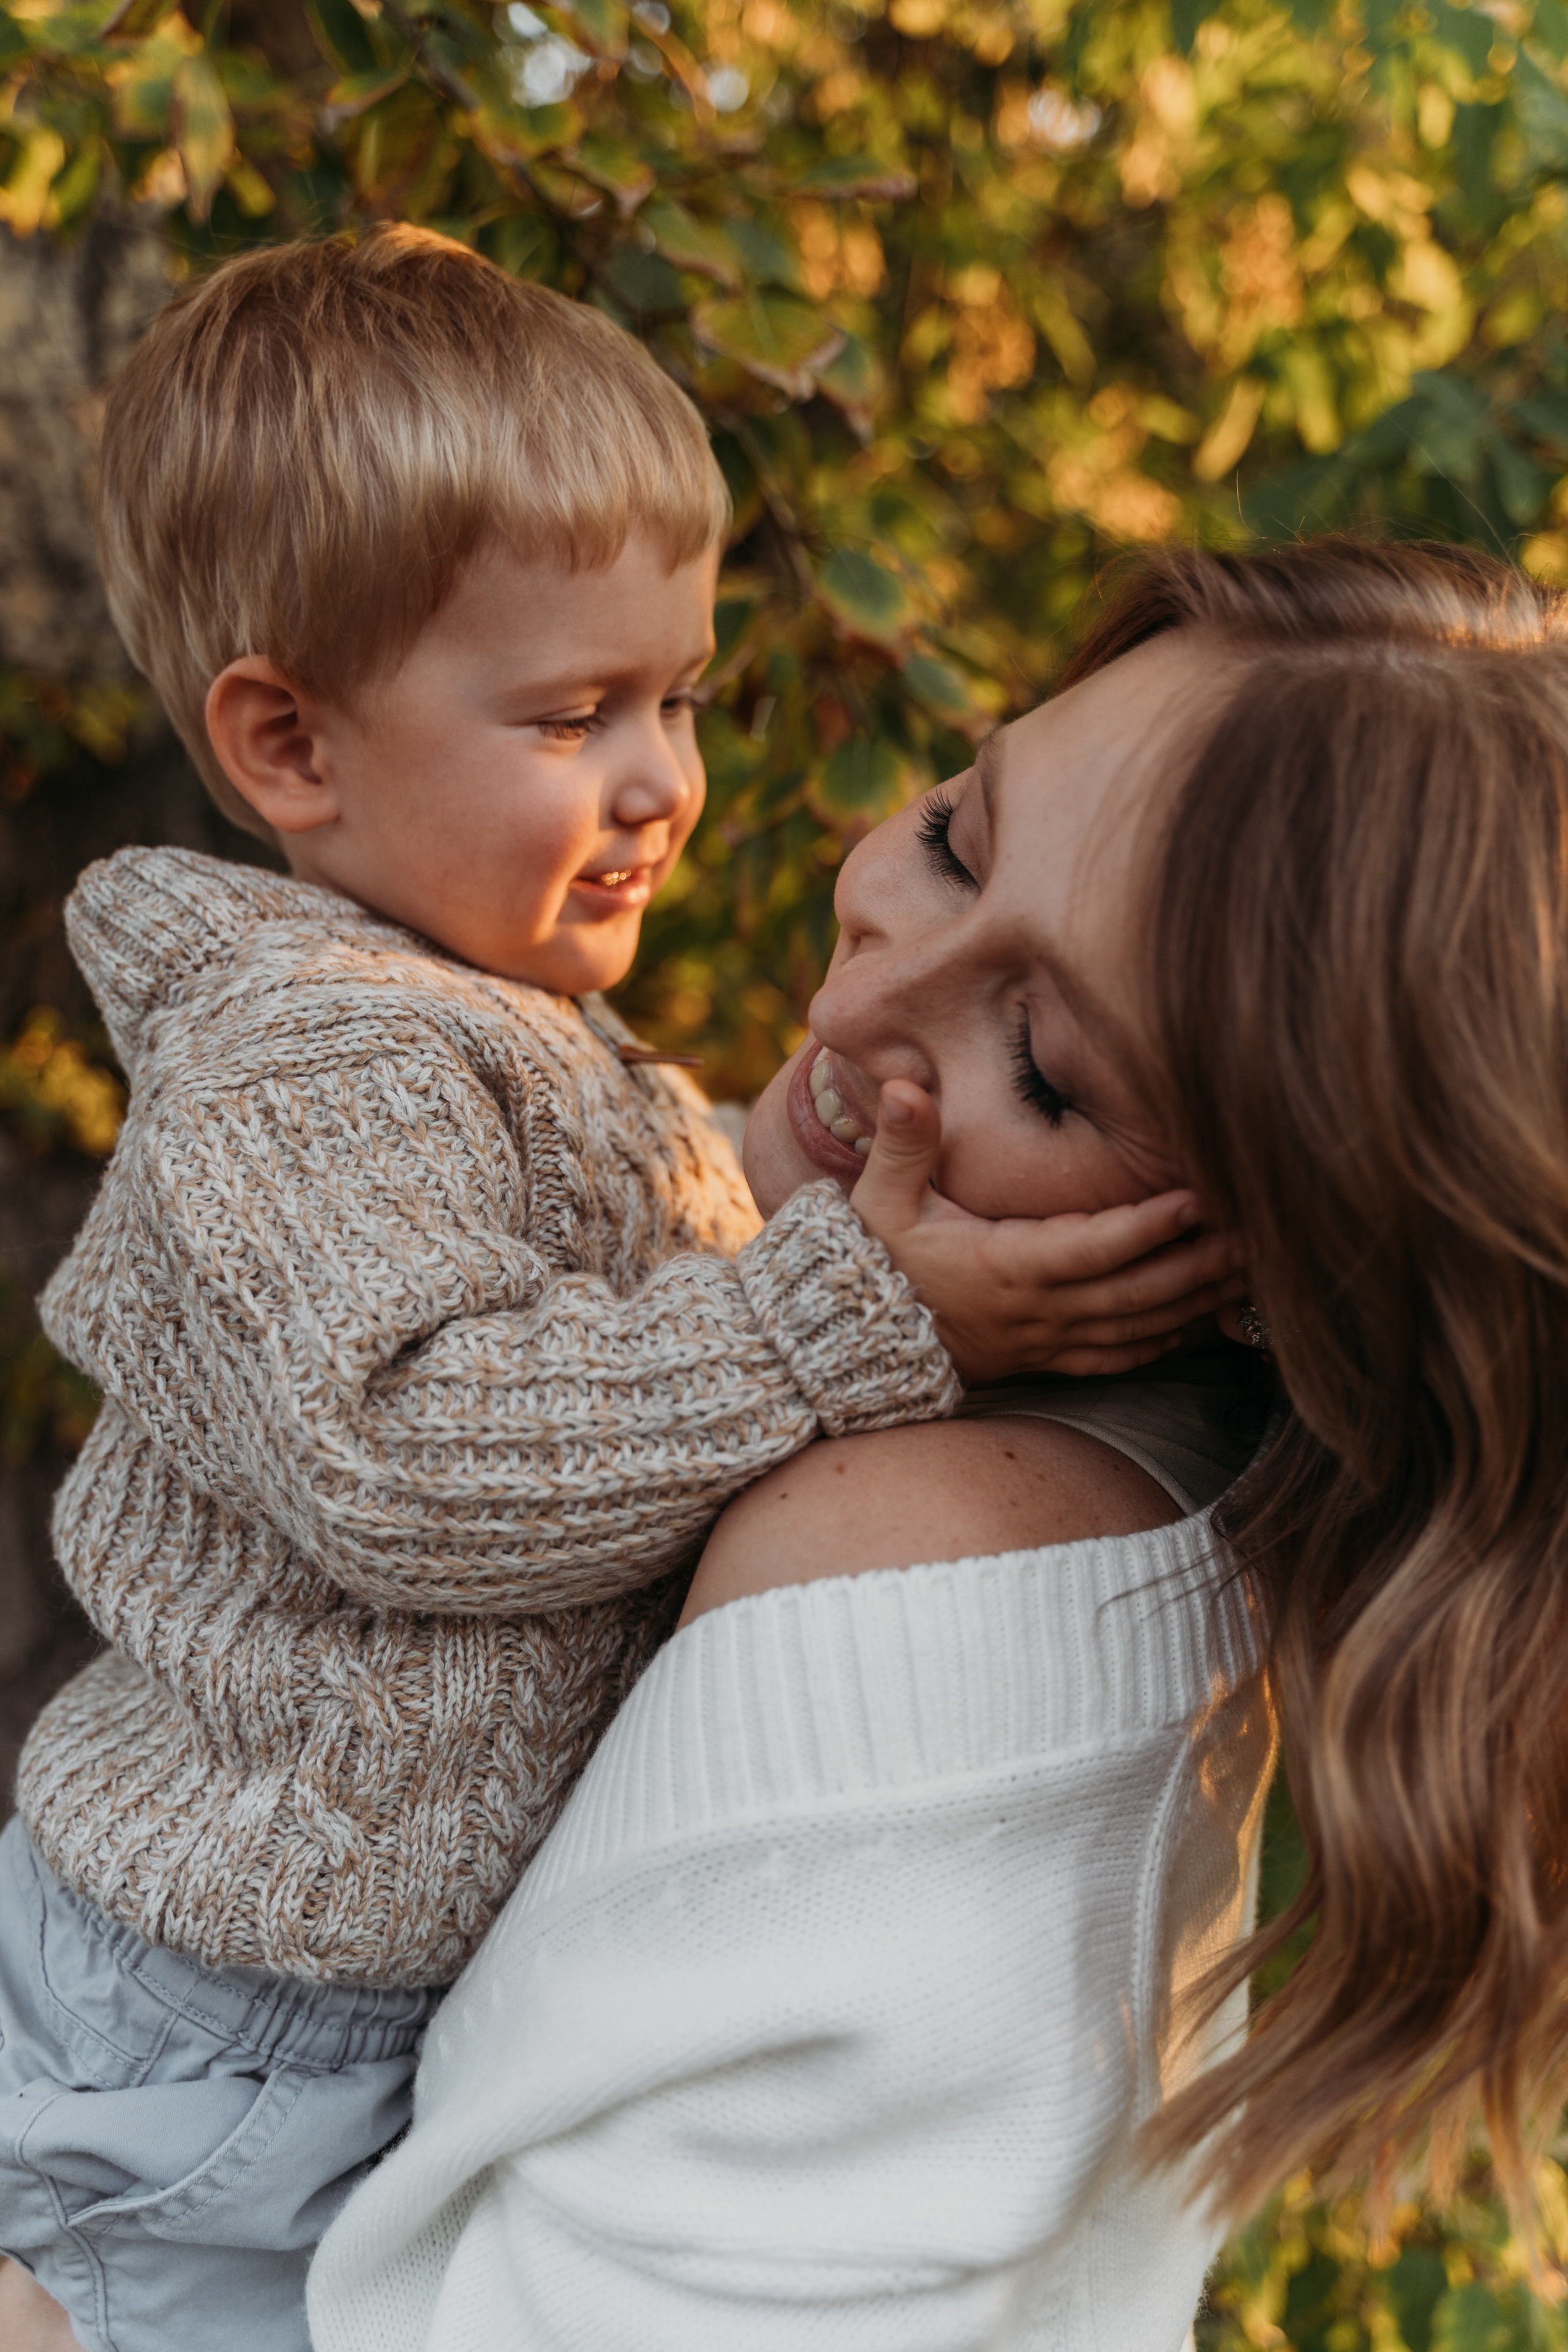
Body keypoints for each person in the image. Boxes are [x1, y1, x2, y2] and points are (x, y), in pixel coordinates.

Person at [0, 228, 1240, 2352]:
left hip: (337, 2007)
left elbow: (643, 1341)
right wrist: (859, 1313)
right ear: (289, 747)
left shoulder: (511, 1038)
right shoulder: (308, 1065)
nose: (664, 779)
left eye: (680, 696)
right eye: (574, 716)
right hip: (211, 2033)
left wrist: (829, 1240)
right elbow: (409, 1456)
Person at [307, 536, 1568, 2352]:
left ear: (1286, 1265)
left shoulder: (902, 1565)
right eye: (954, 838)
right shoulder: (1078, 1504)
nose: (854, 1011)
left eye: (1044, 1068)